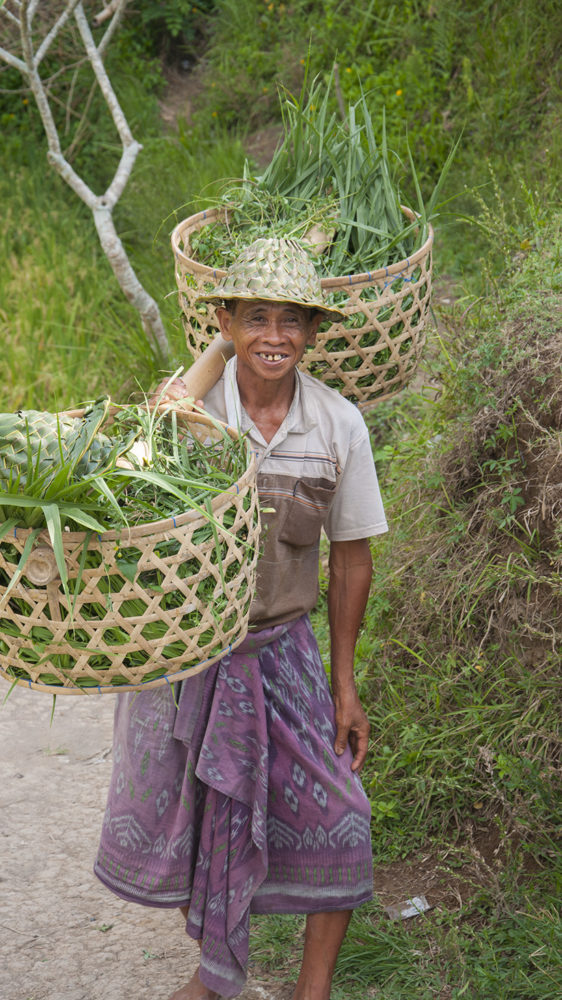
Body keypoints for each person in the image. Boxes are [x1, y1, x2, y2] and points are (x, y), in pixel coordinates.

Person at [94, 237, 388, 1000]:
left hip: (280, 652)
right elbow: (146, 441)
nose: (275, 337)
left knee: (343, 816)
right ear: (224, 321)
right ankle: (215, 977)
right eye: (255, 317)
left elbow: (351, 559)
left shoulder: (336, 426)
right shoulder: (196, 413)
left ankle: (309, 992)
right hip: (190, 657)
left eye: (292, 320)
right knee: (209, 823)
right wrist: (215, 358)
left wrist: (344, 685)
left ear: (313, 332)